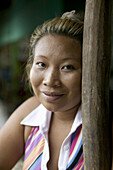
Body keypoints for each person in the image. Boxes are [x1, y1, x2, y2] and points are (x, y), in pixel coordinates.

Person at [0, 10, 84, 169]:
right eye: (41, 64)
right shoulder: (31, 112)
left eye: (67, 67)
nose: (50, 80)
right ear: (30, 67)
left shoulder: (104, 123)